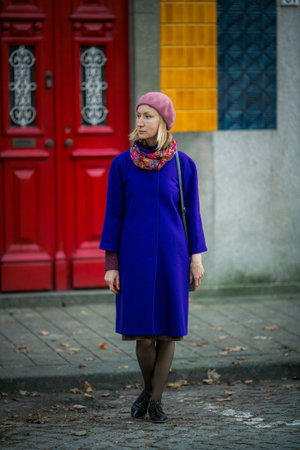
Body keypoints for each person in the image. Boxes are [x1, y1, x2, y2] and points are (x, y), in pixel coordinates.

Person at [99, 92, 207, 423]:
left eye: (148, 115)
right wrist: (111, 265)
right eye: (138, 115)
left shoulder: (183, 164)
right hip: (134, 261)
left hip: (173, 257)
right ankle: (149, 390)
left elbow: (193, 216)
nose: (140, 122)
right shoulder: (121, 164)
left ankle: (155, 401)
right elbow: (113, 215)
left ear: (163, 121)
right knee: (144, 336)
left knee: (167, 331)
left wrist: (196, 258)